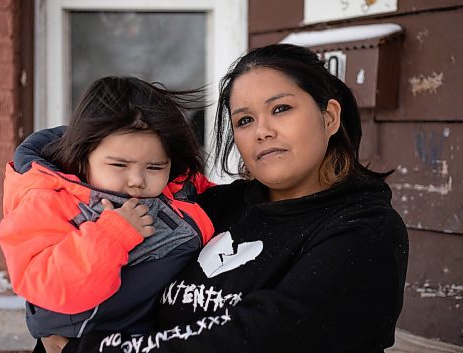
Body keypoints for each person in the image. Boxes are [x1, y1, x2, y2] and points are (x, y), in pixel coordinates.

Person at [45, 43, 409, 353]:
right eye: (245, 120)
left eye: (281, 109)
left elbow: (267, 336)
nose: (263, 131)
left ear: (328, 118)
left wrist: (97, 348)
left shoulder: (365, 230)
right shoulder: (211, 209)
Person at [0, 76, 215, 346]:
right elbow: (46, 284)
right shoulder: (48, 200)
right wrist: (112, 236)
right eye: (119, 165)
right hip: (88, 336)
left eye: (154, 167)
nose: (137, 180)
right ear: (83, 155)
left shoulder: (172, 187)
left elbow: (203, 192)